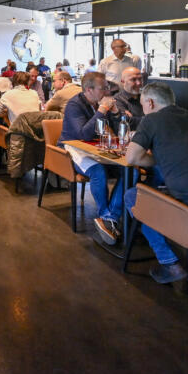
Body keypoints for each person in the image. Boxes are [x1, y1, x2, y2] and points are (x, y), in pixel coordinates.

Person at [124, 82, 188, 284]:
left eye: (144, 104)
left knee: (133, 197)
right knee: (174, 186)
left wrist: (156, 159)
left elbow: (132, 158)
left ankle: (170, 263)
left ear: (150, 102)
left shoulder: (151, 120)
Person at [58, 72, 125, 245]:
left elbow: (119, 131)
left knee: (127, 170)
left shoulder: (98, 103)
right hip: (73, 149)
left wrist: (116, 113)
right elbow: (83, 134)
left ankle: (111, 216)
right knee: (98, 172)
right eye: (103, 88)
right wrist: (102, 110)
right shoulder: (75, 104)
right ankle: (105, 214)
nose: (107, 91)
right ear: (89, 89)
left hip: (96, 149)